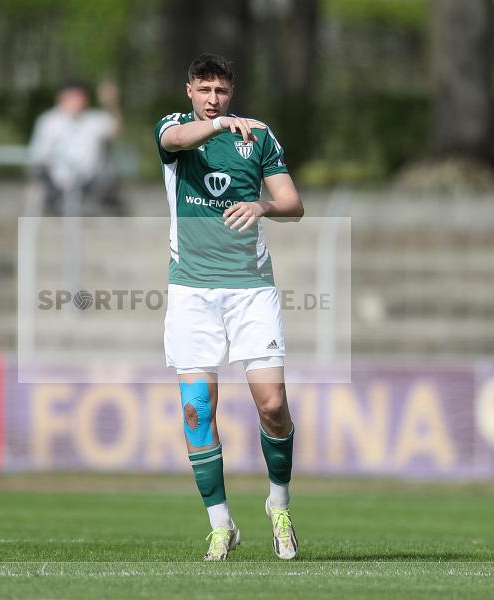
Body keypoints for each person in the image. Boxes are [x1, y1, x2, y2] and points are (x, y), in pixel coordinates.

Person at [154, 53, 304, 561]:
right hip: (192, 292)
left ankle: (278, 505)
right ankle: (221, 524)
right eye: (204, 89)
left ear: (231, 90)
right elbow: (174, 142)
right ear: (189, 91)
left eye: (220, 90)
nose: (212, 98)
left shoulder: (257, 137)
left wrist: (262, 204)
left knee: (273, 405)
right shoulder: (174, 129)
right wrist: (216, 126)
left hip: (249, 289)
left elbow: (293, 203)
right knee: (198, 410)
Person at [28, 80, 123, 215]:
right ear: (61, 98)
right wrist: (33, 183)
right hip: (55, 183)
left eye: (80, 97)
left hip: (89, 181)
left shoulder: (94, 120)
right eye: (72, 97)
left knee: (109, 177)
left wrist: (110, 103)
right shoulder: (48, 121)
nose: (76, 102)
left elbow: (116, 130)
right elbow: (37, 156)